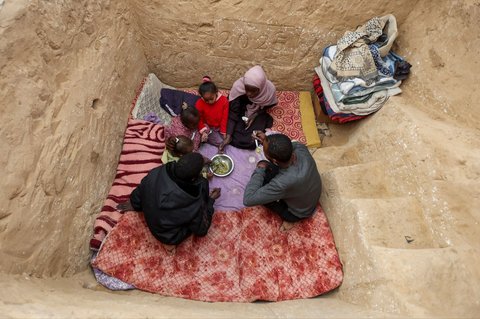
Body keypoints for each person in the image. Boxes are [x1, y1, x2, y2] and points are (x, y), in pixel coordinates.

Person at [117, 153, 221, 254]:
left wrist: (135, 204)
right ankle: (169, 243)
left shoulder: (157, 171)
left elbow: (141, 190)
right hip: (168, 236)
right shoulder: (193, 199)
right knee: (202, 185)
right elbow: (201, 230)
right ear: (193, 178)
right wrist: (210, 200)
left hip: (154, 218)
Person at [243, 132, 322, 231]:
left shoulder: (281, 183)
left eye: (265, 152)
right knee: (270, 169)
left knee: (264, 180)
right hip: (311, 193)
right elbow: (285, 147)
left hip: (300, 212)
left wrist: (260, 168)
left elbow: (248, 199)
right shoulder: (301, 149)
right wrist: (266, 140)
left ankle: (290, 219)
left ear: (275, 161)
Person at [219, 65, 278, 151]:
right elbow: (233, 112)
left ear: (261, 87)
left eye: (253, 91)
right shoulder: (238, 88)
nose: (249, 94)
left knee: (252, 139)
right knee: (234, 135)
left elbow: (267, 106)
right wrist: (228, 136)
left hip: (259, 111)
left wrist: (255, 115)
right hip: (240, 109)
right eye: (246, 89)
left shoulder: (269, 91)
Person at [195, 76, 230, 150]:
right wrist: (203, 131)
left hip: (221, 126)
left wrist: (223, 131)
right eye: (206, 100)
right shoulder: (199, 103)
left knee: (228, 138)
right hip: (208, 127)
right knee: (220, 142)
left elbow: (225, 117)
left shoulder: (224, 101)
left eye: (211, 99)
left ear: (216, 92)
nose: (210, 102)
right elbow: (198, 118)